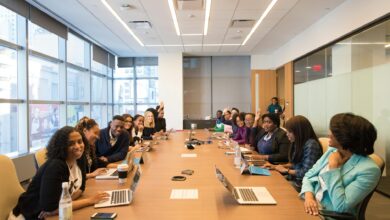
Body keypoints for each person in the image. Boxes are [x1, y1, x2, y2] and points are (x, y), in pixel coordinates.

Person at [11, 126, 108, 219]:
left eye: (80, 141)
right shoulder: (56, 166)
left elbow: (81, 188)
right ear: (62, 146)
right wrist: (90, 200)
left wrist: (62, 205)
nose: (78, 146)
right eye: (71, 143)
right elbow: (51, 208)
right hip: (28, 216)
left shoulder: (79, 158)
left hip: (54, 214)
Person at [300, 113, 381, 216]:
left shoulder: (369, 170)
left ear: (346, 137)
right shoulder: (332, 151)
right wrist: (309, 197)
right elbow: (308, 176)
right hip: (310, 206)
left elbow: (341, 206)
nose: (329, 134)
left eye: (334, 132)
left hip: (327, 215)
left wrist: (333, 168)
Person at [272, 116, 323, 192]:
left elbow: (306, 172)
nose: (287, 134)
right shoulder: (298, 142)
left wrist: (286, 170)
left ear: (299, 132)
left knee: (274, 188)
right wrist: (277, 166)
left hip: (303, 185)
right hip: (295, 180)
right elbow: (297, 164)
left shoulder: (311, 145)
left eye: (289, 132)